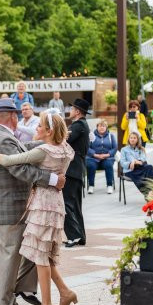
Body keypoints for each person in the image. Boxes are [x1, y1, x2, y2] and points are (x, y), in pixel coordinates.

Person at [0, 109, 77, 305]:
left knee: (38, 254)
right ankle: (61, 292)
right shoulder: (65, 148)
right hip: (54, 204)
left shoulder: (1, 138)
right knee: (42, 252)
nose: (34, 128)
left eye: (38, 126)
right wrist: (54, 179)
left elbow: (12, 162)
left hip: (42, 204)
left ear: (48, 130)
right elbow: (30, 150)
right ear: (13, 117)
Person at [63, 98, 90, 248]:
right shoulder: (83, 125)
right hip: (78, 169)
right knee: (75, 204)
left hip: (72, 169)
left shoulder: (78, 125)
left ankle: (74, 236)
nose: (70, 111)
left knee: (66, 204)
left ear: (78, 111)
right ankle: (81, 237)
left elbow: (64, 140)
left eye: (72, 108)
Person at [120, 132, 153, 198]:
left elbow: (143, 159)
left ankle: (151, 191)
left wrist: (135, 161)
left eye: (134, 138)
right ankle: (147, 194)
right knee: (139, 177)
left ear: (137, 140)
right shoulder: (124, 150)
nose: (132, 139)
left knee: (150, 167)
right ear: (128, 139)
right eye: (131, 138)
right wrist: (131, 163)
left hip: (140, 167)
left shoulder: (141, 149)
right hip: (130, 170)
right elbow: (122, 163)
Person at [86, 120, 117, 194]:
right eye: (100, 126)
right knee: (90, 165)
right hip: (93, 158)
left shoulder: (111, 136)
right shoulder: (91, 135)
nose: (102, 127)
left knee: (109, 164)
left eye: (103, 126)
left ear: (106, 127)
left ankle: (109, 185)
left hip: (107, 158)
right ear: (97, 127)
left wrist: (107, 154)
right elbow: (87, 147)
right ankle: (91, 186)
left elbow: (115, 148)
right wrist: (95, 155)